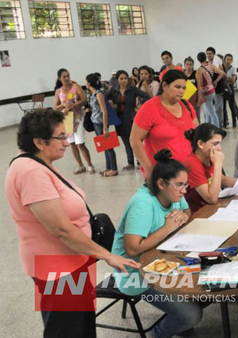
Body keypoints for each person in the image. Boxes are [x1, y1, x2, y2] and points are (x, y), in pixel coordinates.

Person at [6, 109, 140, 338]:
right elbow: (61, 229)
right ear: (39, 141)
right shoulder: (30, 171)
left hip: (71, 261)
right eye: (60, 137)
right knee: (68, 330)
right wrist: (107, 255)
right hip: (57, 268)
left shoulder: (39, 163)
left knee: (80, 327)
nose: (67, 143)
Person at [111, 149, 205, 338]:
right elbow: (131, 249)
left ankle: (178, 318)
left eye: (185, 184)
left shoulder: (174, 194)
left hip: (164, 260)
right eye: (179, 185)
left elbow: (187, 212)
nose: (184, 190)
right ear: (161, 183)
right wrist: (168, 228)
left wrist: (183, 217)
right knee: (192, 314)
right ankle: (158, 334)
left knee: (208, 284)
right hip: (136, 274)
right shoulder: (143, 205)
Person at [131, 69, 199, 180]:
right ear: (164, 85)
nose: (181, 91)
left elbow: (198, 134)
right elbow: (135, 139)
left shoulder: (186, 106)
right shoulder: (150, 108)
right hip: (163, 175)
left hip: (189, 172)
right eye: (177, 87)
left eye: (184, 88)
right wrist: (148, 168)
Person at [182, 124, 238, 212]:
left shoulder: (208, 157)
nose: (219, 148)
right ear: (201, 144)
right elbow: (211, 198)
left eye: (220, 143)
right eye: (215, 144)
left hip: (208, 208)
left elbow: (222, 179)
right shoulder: (192, 163)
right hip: (196, 212)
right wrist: (217, 163)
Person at [53, 68, 95, 175]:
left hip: (78, 118)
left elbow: (84, 100)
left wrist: (73, 105)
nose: (67, 78)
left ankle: (90, 164)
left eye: (68, 76)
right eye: (64, 76)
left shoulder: (76, 87)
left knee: (80, 143)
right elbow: (55, 107)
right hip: (67, 119)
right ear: (60, 78)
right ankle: (80, 165)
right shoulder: (59, 91)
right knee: (72, 144)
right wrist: (63, 105)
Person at [106, 70, 150, 171]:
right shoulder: (113, 90)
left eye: (125, 78)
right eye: (121, 79)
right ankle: (130, 162)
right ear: (117, 80)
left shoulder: (132, 89)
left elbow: (146, 96)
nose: (124, 81)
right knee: (126, 142)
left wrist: (139, 105)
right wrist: (110, 103)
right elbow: (103, 98)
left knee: (135, 140)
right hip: (120, 119)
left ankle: (140, 162)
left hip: (131, 118)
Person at [85, 73, 119, 177]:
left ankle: (113, 169)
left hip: (101, 123)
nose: (85, 83)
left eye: (86, 81)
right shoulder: (92, 94)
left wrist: (105, 128)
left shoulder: (99, 94)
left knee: (108, 146)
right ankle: (108, 167)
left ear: (89, 83)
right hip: (95, 122)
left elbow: (104, 111)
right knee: (104, 146)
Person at [196, 52, 225, 127]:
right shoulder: (211, 66)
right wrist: (215, 81)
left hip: (205, 92)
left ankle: (217, 129)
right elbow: (222, 73)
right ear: (205, 57)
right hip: (212, 90)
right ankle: (207, 127)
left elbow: (200, 86)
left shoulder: (199, 70)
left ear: (198, 59)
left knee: (211, 113)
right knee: (207, 112)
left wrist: (199, 97)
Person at [221, 53, 238, 128]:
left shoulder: (232, 68)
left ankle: (234, 122)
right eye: (227, 59)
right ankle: (225, 122)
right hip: (222, 88)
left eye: (230, 59)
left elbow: (232, 80)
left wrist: (226, 77)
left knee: (232, 105)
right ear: (224, 60)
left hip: (230, 88)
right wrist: (228, 78)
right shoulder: (221, 67)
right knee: (223, 106)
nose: (229, 61)